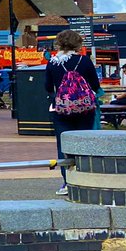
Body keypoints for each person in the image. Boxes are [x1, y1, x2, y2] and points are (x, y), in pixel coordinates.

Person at [45, 29, 101, 196]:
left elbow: (47, 87)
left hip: (61, 109)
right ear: (77, 43)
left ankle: (67, 182)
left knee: (64, 146)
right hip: (85, 110)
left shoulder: (53, 63)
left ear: (59, 43)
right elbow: (95, 85)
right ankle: (85, 179)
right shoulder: (84, 61)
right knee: (84, 142)